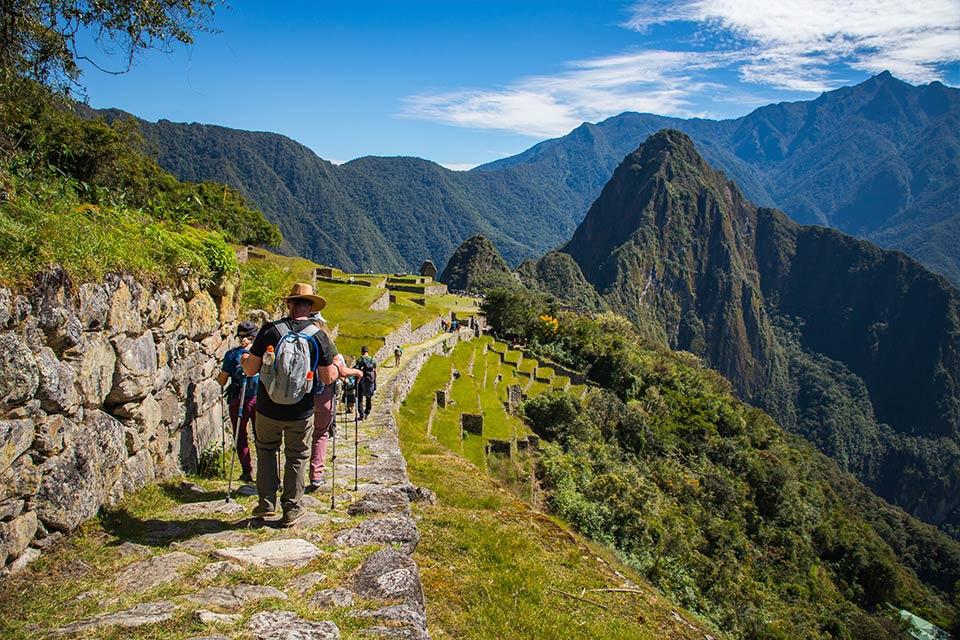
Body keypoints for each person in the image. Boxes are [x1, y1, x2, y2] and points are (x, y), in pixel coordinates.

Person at [242, 283, 339, 527]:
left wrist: (244, 360)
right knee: (296, 456)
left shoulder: (269, 331)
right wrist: (338, 369)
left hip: (267, 407)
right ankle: (291, 509)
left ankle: (265, 503)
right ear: (311, 307)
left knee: (265, 451)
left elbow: (251, 369)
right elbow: (327, 378)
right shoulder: (318, 336)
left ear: (289, 304)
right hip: (301, 410)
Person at [307, 310, 363, 490]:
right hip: (322, 393)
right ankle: (316, 475)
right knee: (320, 433)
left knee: (296, 434)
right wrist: (357, 372)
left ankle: (292, 478)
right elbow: (341, 371)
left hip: (297, 394)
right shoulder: (325, 341)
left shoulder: (291, 335)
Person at [216, 320, 259, 483]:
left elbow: (222, 380)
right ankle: (262, 470)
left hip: (238, 398)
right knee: (261, 436)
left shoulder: (231, 354)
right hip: (258, 398)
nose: (243, 340)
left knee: (240, 435)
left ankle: (246, 470)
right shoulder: (260, 354)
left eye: (244, 337)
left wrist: (219, 377)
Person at [355, 346, 377, 420]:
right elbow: (375, 371)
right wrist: (374, 381)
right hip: (370, 381)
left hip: (361, 381)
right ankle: (367, 412)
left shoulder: (360, 360)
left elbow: (357, 371)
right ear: (367, 352)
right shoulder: (372, 360)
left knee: (360, 398)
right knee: (368, 397)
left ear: (362, 352)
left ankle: (361, 415)